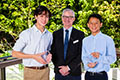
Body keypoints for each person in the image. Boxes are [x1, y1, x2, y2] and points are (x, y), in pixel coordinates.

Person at [12, 6, 52, 80]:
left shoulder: (49, 35)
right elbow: (14, 53)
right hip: (31, 72)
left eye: (46, 16)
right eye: (41, 16)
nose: (44, 19)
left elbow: (49, 50)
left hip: (45, 71)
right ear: (36, 17)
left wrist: (50, 54)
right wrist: (33, 56)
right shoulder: (26, 33)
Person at [50, 8, 84, 80]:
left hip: (74, 73)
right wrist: (61, 69)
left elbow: (81, 54)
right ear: (62, 18)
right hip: (59, 73)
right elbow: (53, 53)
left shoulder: (80, 34)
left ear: (74, 19)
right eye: (65, 16)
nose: (67, 19)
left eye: (70, 17)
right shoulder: (55, 34)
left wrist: (68, 68)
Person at [82, 13, 116, 80]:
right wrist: (88, 64)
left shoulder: (108, 40)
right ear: (88, 25)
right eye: (91, 23)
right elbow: (84, 57)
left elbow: (113, 58)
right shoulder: (85, 40)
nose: (93, 25)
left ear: (101, 24)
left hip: (101, 76)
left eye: (96, 23)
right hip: (88, 75)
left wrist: (100, 57)